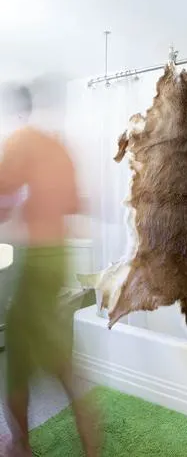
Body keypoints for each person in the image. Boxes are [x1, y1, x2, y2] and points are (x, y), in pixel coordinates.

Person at [0, 83, 99, 456]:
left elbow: (1, 200)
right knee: (60, 359)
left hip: (32, 260)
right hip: (57, 255)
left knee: (18, 366)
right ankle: (90, 443)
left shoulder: (19, 141)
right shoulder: (61, 149)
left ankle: (20, 445)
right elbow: (76, 203)